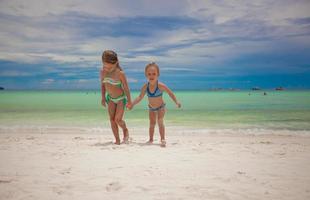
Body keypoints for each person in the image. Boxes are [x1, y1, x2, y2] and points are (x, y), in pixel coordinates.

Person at [128, 62, 181, 147]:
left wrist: (176, 102)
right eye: (149, 74)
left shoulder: (160, 86)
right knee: (152, 123)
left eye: (154, 74)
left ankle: (162, 139)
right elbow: (140, 97)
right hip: (151, 108)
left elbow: (170, 93)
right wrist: (132, 104)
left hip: (161, 107)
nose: (151, 76)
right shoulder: (145, 87)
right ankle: (151, 139)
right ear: (146, 75)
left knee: (160, 121)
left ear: (158, 74)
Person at [100, 50, 132, 145]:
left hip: (121, 99)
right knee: (112, 119)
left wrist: (130, 101)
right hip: (110, 99)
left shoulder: (120, 73)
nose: (108, 68)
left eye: (110, 66)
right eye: (106, 66)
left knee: (118, 119)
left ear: (116, 63)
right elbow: (103, 85)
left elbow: (126, 88)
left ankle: (125, 129)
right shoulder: (102, 72)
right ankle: (117, 140)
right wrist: (102, 97)